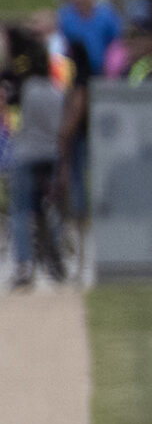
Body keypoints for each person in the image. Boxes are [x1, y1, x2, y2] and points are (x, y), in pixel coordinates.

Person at [7, 44, 68, 289]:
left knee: (21, 210)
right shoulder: (56, 92)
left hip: (27, 155)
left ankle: (25, 264)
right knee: (50, 209)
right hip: (51, 155)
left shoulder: (28, 89)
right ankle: (55, 259)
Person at [54, 0, 119, 80]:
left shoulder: (107, 16)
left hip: (102, 72)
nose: (80, 1)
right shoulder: (66, 17)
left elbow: (115, 44)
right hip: (74, 73)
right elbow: (60, 43)